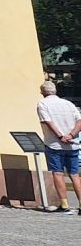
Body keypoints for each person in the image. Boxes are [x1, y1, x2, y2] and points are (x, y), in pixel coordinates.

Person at [38, 80, 81, 212]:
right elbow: (79, 121)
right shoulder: (68, 104)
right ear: (55, 91)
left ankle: (64, 204)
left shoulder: (43, 103)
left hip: (54, 144)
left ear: (42, 92)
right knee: (74, 175)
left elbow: (47, 121)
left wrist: (60, 136)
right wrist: (72, 135)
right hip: (72, 145)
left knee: (58, 173)